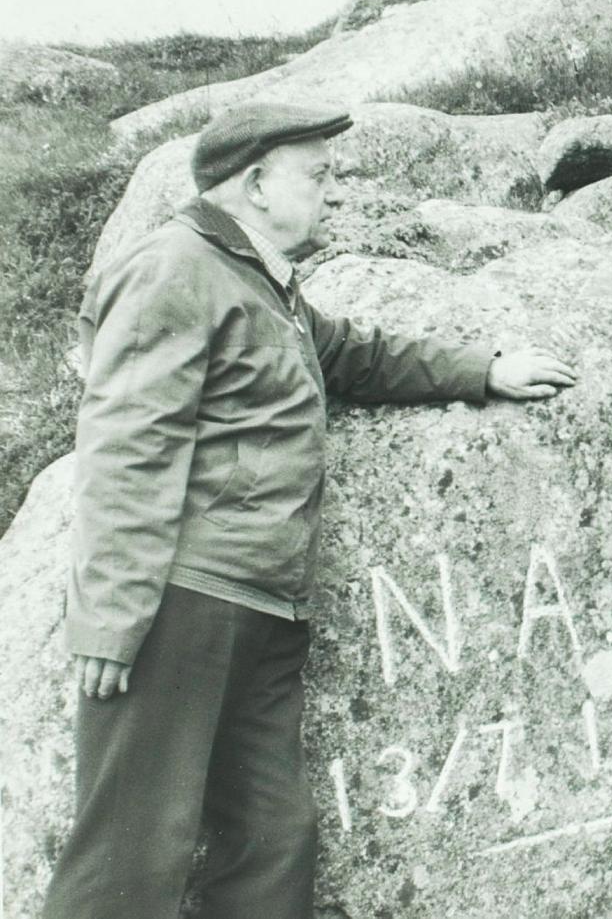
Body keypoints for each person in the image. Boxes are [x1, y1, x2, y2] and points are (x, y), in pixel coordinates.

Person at [42, 101, 578, 919]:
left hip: (263, 608)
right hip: (180, 610)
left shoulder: (261, 284)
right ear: (256, 183)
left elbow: (355, 354)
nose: (333, 191)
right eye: (318, 174)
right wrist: (110, 622)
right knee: (128, 863)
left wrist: (483, 368)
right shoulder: (172, 269)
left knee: (273, 841)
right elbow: (125, 452)